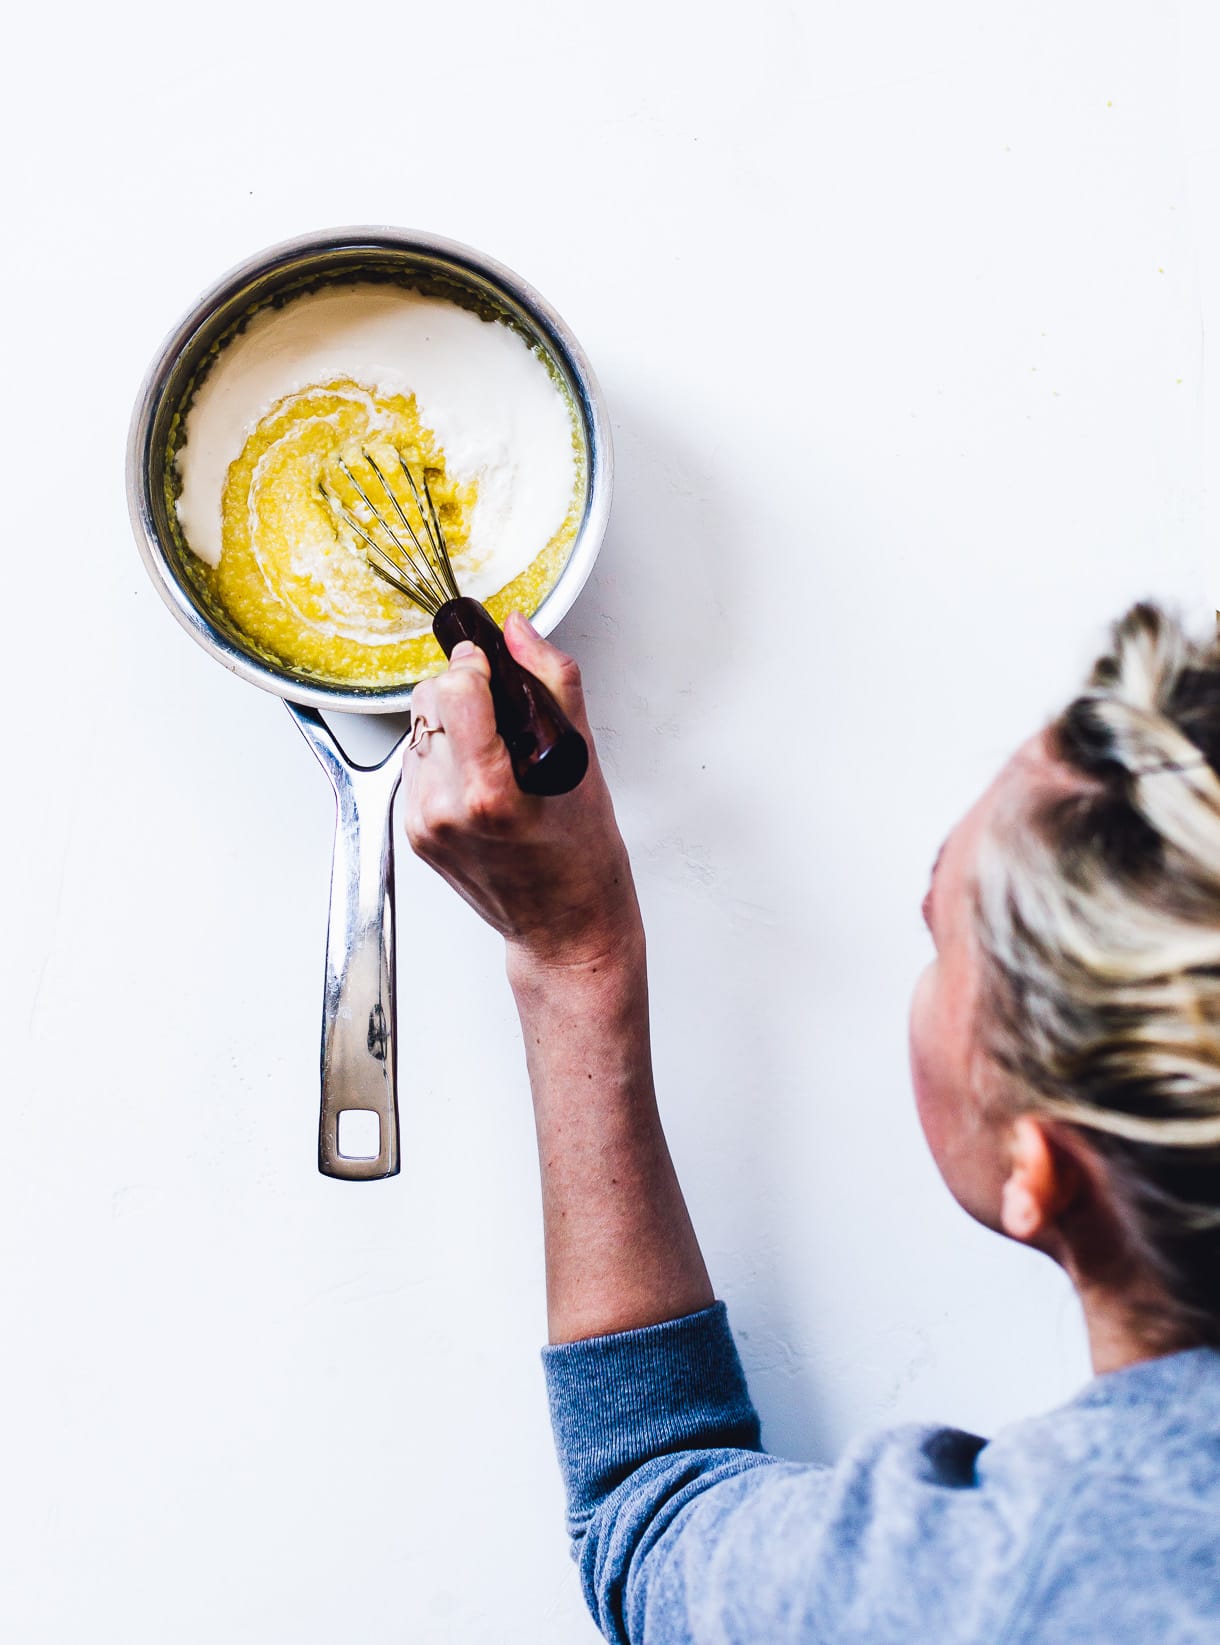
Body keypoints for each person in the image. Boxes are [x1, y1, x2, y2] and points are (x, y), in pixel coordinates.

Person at [403, 599, 1220, 1644]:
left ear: (1036, 1166)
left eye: (939, 932)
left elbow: (648, 1515)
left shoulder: (986, 1589)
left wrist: (576, 953)